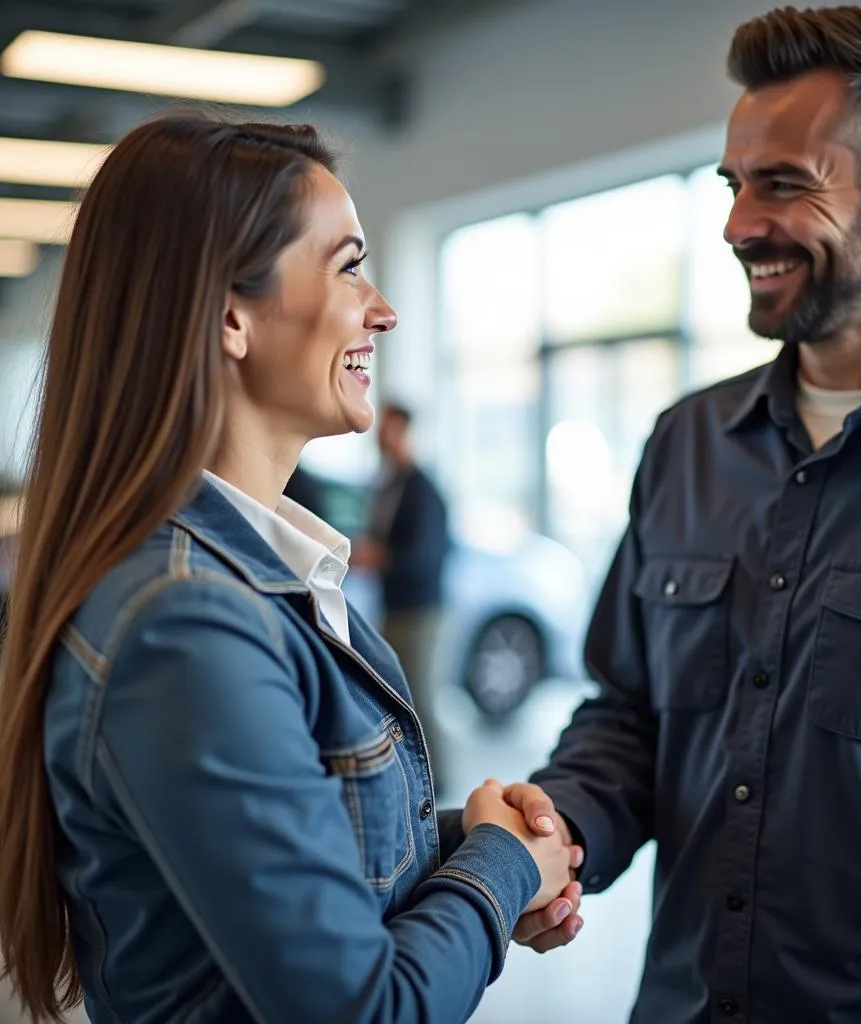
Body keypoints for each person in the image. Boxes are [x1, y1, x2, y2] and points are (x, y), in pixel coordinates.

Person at [0, 113, 583, 1024]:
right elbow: (358, 1009)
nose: (381, 308)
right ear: (230, 314)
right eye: (349, 266)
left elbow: (297, 871)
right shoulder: (184, 623)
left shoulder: (236, 581)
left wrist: (482, 847)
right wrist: (499, 872)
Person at [505, 6, 861, 1020]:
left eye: (784, 183)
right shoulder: (686, 444)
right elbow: (626, 720)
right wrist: (553, 834)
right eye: (734, 183)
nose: (740, 223)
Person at [351, 402, 452, 795]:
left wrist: (378, 557)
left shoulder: (422, 488)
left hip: (421, 610)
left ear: (405, 433)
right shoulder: (388, 483)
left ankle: (436, 781)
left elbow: (424, 555)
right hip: (394, 606)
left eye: (390, 430)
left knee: (421, 694)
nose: (383, 439)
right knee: (398, 692)